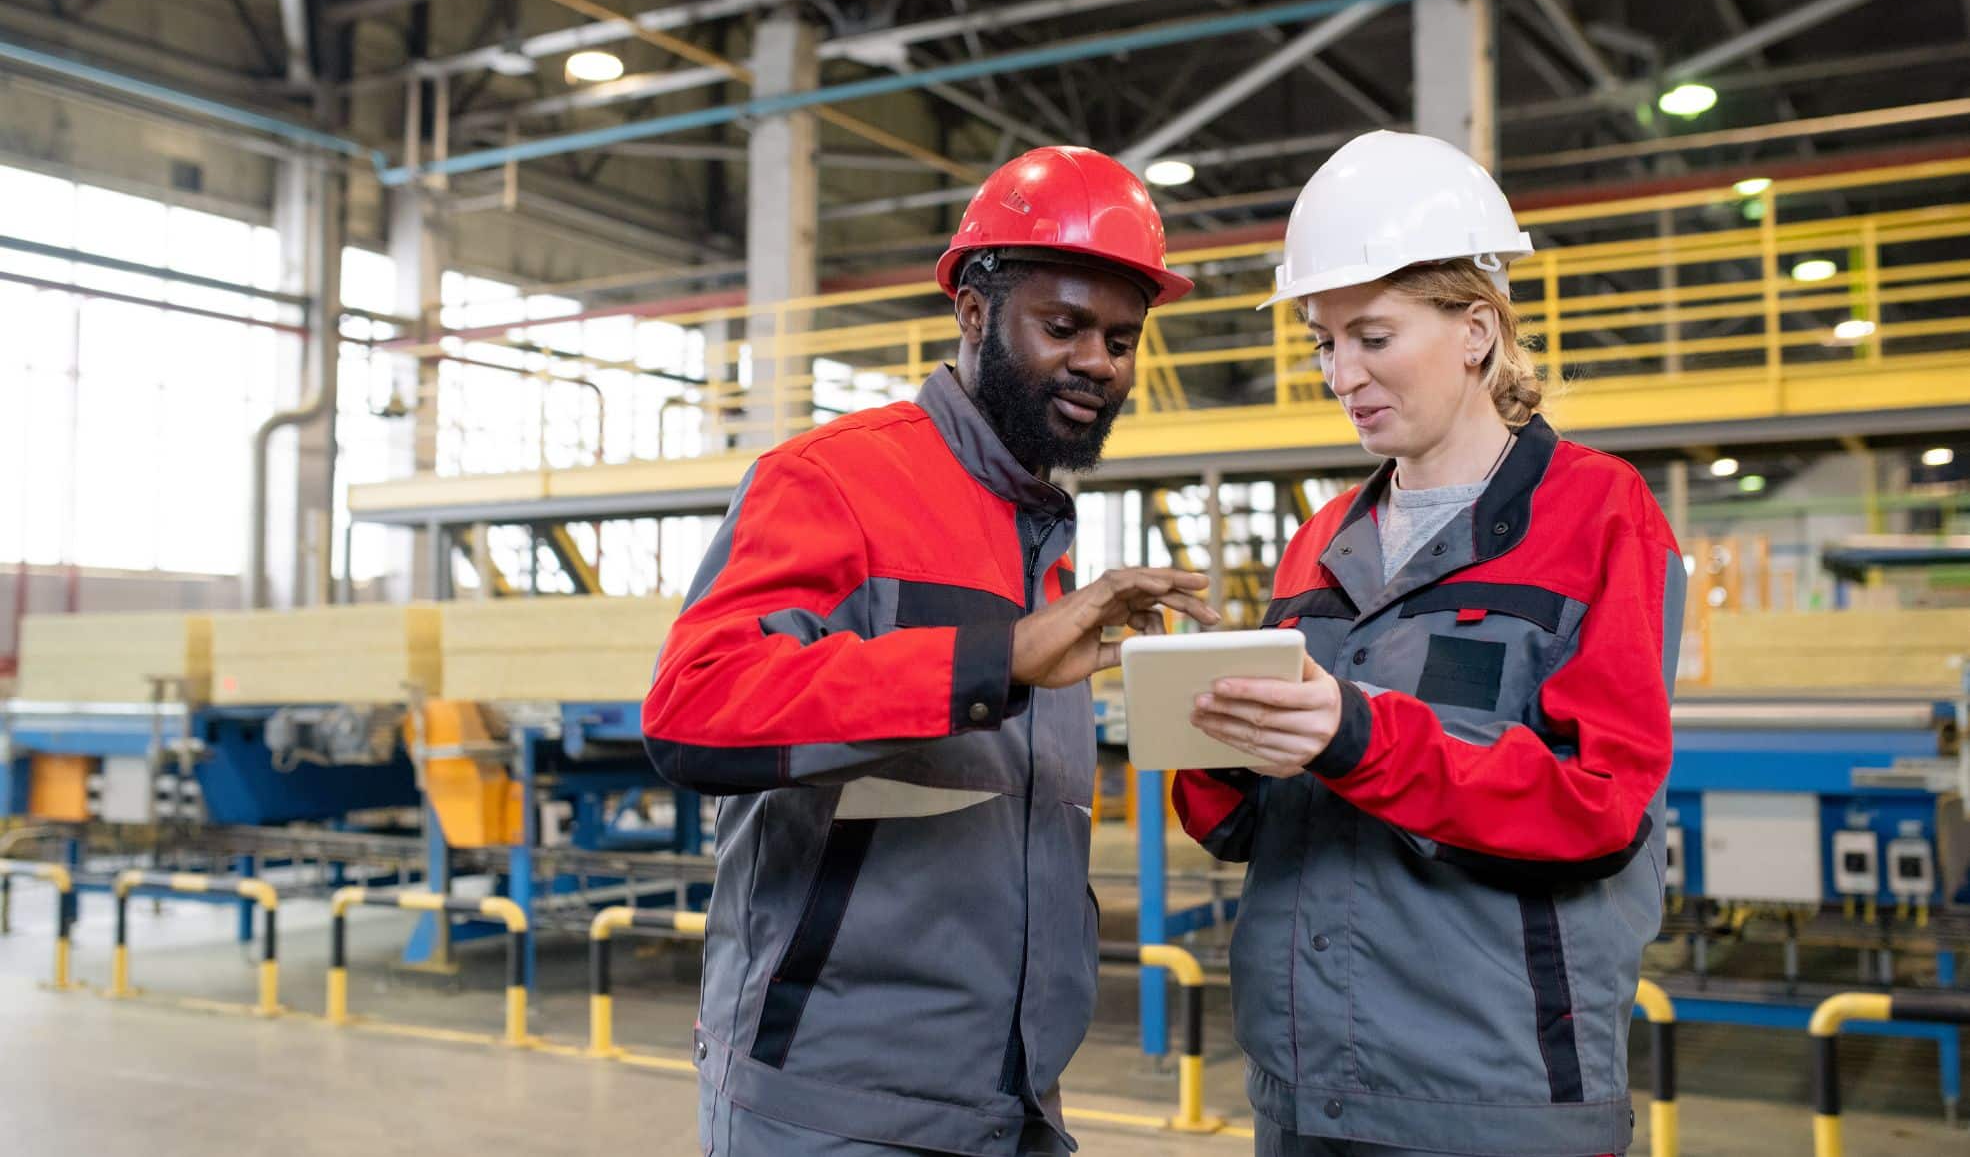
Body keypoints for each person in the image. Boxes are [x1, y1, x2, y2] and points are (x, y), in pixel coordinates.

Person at [644, 145, 1220, 1156]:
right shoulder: (831, 483)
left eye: (1122, 339)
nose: (1099, 362)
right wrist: (991, 658)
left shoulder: (1039, 531)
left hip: (1010, 1097)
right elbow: (695, 706)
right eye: (1063, 326)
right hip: (833, 1100)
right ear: (972, 311)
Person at [1174, 130, 1684, 1157]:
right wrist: (1216, 742)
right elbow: (1245, 828)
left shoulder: (1596, 514)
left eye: (1370, 335)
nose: (1337, 373)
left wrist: (1356, 735)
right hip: (1304, 1085)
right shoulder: (1322, 539)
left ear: (1474, 330)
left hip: (1490, 1098)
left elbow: (1601, 805)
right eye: (1321, 342)